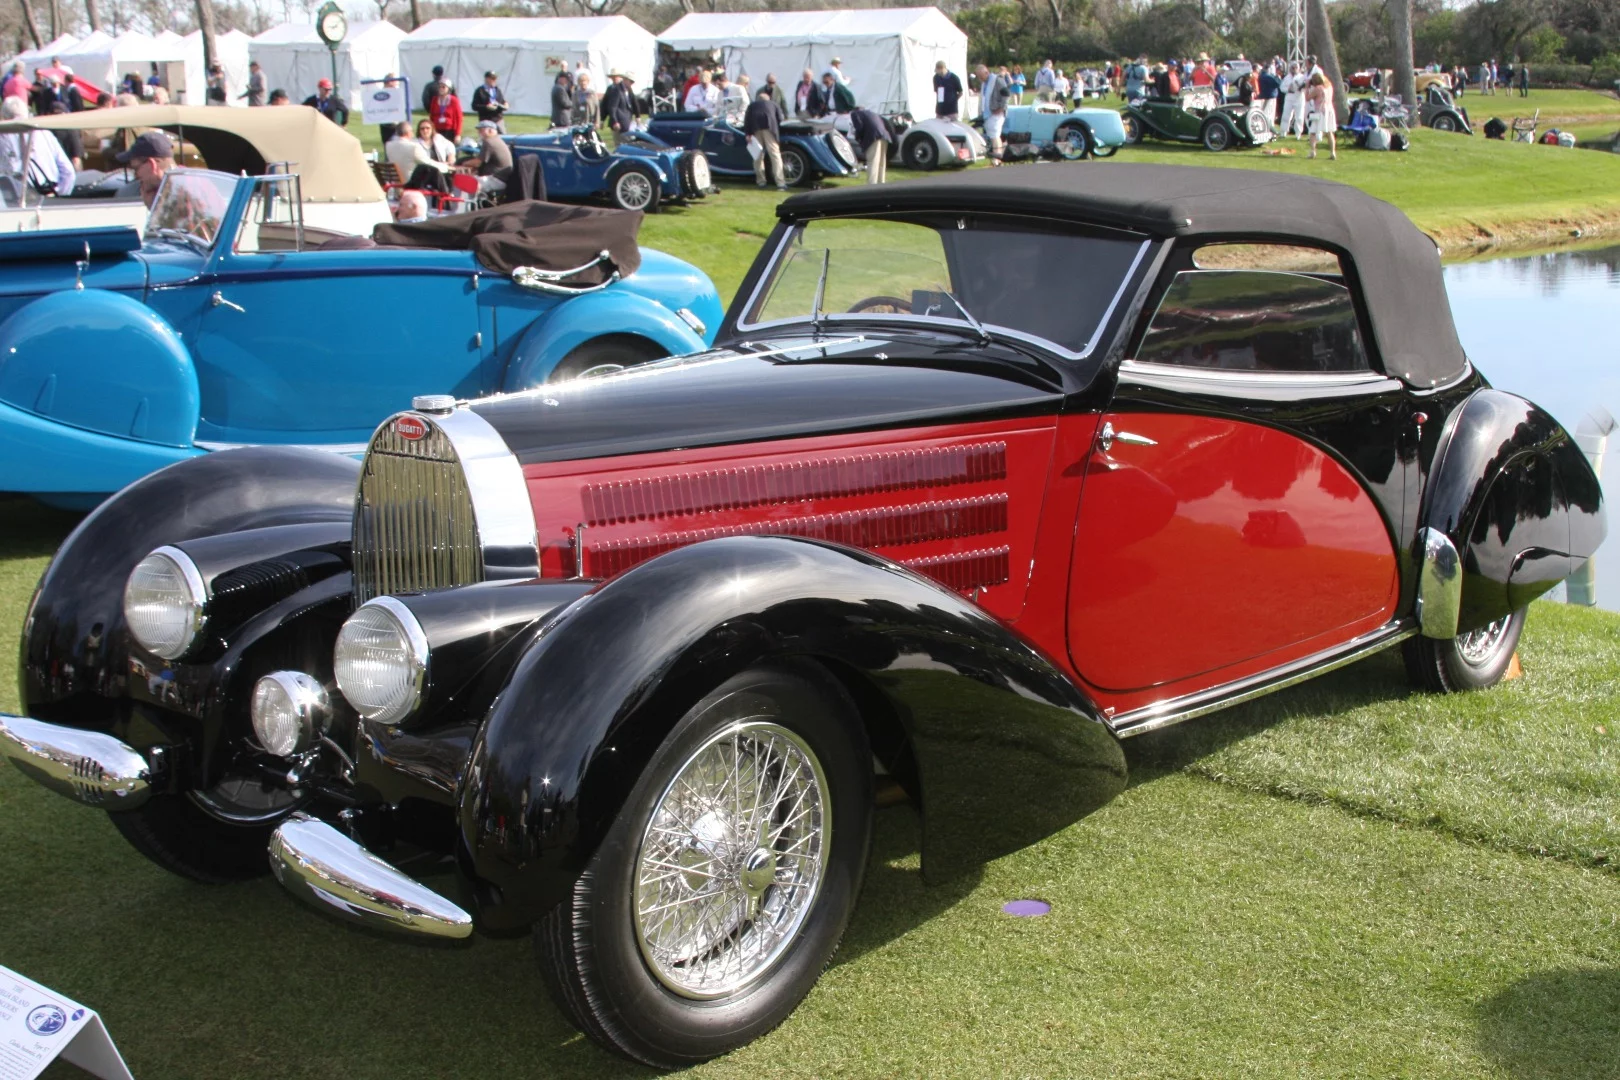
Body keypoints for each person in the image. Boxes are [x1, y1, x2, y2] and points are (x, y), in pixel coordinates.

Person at [743, 87, 785, 190]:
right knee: (775, 155)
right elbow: (780, 118)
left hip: (755, 130)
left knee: (757, 155)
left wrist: (748, 134)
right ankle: (780, 182)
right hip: (770, 129)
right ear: (768, 99)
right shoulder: (774, 104)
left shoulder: (752, 106)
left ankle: (761, 181)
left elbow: (747, 120)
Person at [848, 105, 891, 184]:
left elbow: (859, 127)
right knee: (881, 161)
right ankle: (881, 182)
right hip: (885, 136)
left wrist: (858, 138)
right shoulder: (872, 113)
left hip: (873, 137)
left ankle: (871, 184)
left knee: (873, 160)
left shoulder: (855, 114)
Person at [976, 64, 1009, 165]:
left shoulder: (997, 80)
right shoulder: (984, 83)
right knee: (992, 135)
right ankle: (996, 156)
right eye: (978, 77)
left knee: (995, 135)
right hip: (988, 113)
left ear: (986, 72)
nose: (980, 79)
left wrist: (1000, 108)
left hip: (997, 112)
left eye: (981, 76)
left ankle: (997, 157)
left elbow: (1006, 94)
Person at [1305, 71, 1336, 159]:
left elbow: (1307, 98)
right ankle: (1332, 152)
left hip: (1320, 111)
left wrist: (1307, 87)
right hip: (1329, 110)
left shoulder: (1318, 88)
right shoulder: (1329, 86)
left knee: (1313, 132)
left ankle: (1313, 151)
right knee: (1329, 132)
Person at [1280, 61, 1305, 137]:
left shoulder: (1302, 77)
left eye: (1296, 67)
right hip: (1289, 98)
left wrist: (1300, 88)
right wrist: (1288, 89)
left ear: (1298, 68)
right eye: (1292, 67)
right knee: (1286, 115)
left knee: (1299, 116)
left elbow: (1305, 88)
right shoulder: (1287, 77)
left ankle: (1298, 133)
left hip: (1299, 98)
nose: (1294, 69)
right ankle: (1284, 132)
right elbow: (1281, 88)